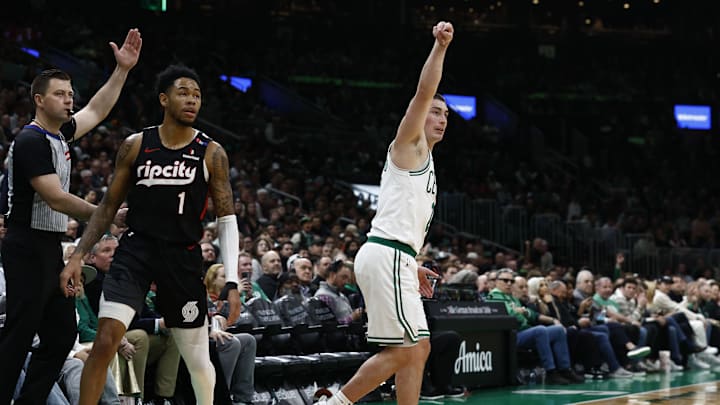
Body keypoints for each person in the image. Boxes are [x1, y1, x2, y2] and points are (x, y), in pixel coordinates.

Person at [62, 64, 241, 405]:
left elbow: (227, 218)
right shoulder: (135, 145)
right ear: (164, 99)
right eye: (183, 93)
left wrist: (231, 280)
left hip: (182, 257)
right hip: (136, 253)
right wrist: (78, 255)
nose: (192, 100)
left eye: (197, 95)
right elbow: (107, 208)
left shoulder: (211, 152)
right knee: (105, 342)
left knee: (198, 362)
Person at [0, 28, 142, 404]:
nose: (69, 100)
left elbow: (97, 109)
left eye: (70, 93)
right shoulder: (30, 140)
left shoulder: (60, 135)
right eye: (60, 94)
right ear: (38, 100)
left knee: (62, 334)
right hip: (26, 245)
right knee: (18, 335)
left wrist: (122, 70)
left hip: (50, 247)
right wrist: (107, 215)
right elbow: (56, 198)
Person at [317, 21, 453, 405]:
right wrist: (440, 47)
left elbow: (403, 224)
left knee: (419, 348)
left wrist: (412, 265)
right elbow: (423, 92)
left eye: (446, 115)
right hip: (385, 255)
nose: (441, 119)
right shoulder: (408, 144)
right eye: (436, 112)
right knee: (401, 351)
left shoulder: (426, 162)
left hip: (396, 258)